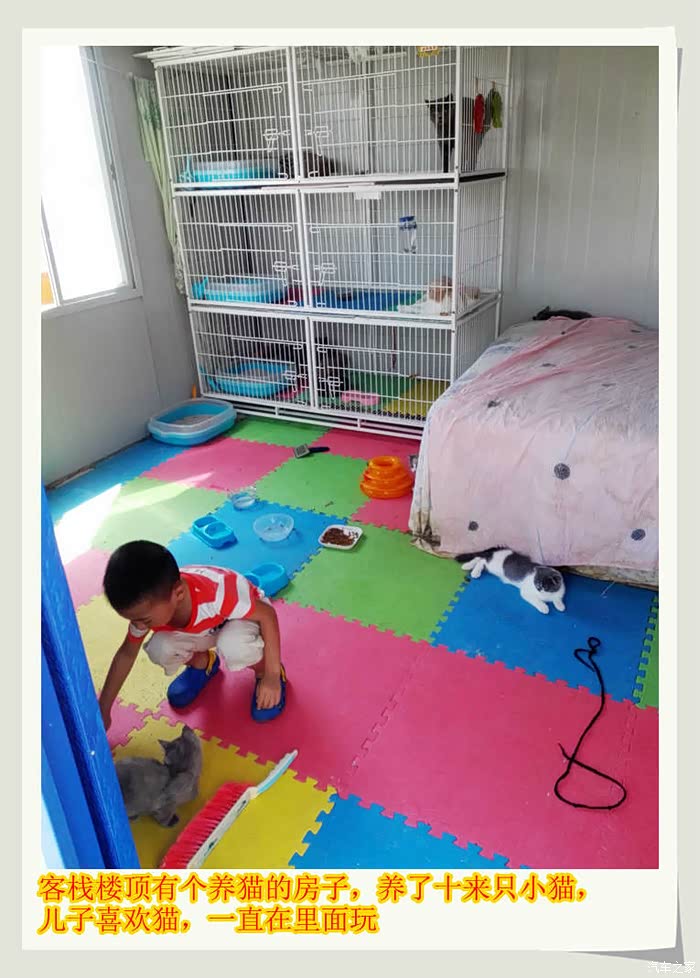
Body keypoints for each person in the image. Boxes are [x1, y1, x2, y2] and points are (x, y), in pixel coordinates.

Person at [98, 540, 286, 730]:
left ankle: (263, 670)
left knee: (233, 644)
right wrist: (103, 709)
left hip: (243, 618)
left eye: (144, 620)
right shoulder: (150, 606)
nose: (138, 625)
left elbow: (267, 615)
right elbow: (126, 654)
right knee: (159, 647)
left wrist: (271, 676)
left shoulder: (219, 593)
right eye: (132, 620)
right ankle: (203, 664)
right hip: (206, 628)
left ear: (178, 593)